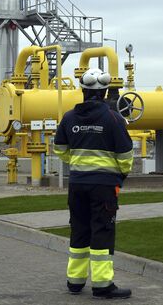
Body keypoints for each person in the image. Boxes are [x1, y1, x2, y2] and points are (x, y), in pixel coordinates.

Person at [54, 68, 133, 299]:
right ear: (105, 91)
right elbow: (126, 155)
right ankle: (102, 285)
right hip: (104, 185)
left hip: (77, 183)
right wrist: (120, 174)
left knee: (79, 229)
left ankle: (75, 281)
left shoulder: (69, 118)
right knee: (102, 230)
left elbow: (59, 149)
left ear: (83, 90)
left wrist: (77, 162)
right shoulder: (114, 118)